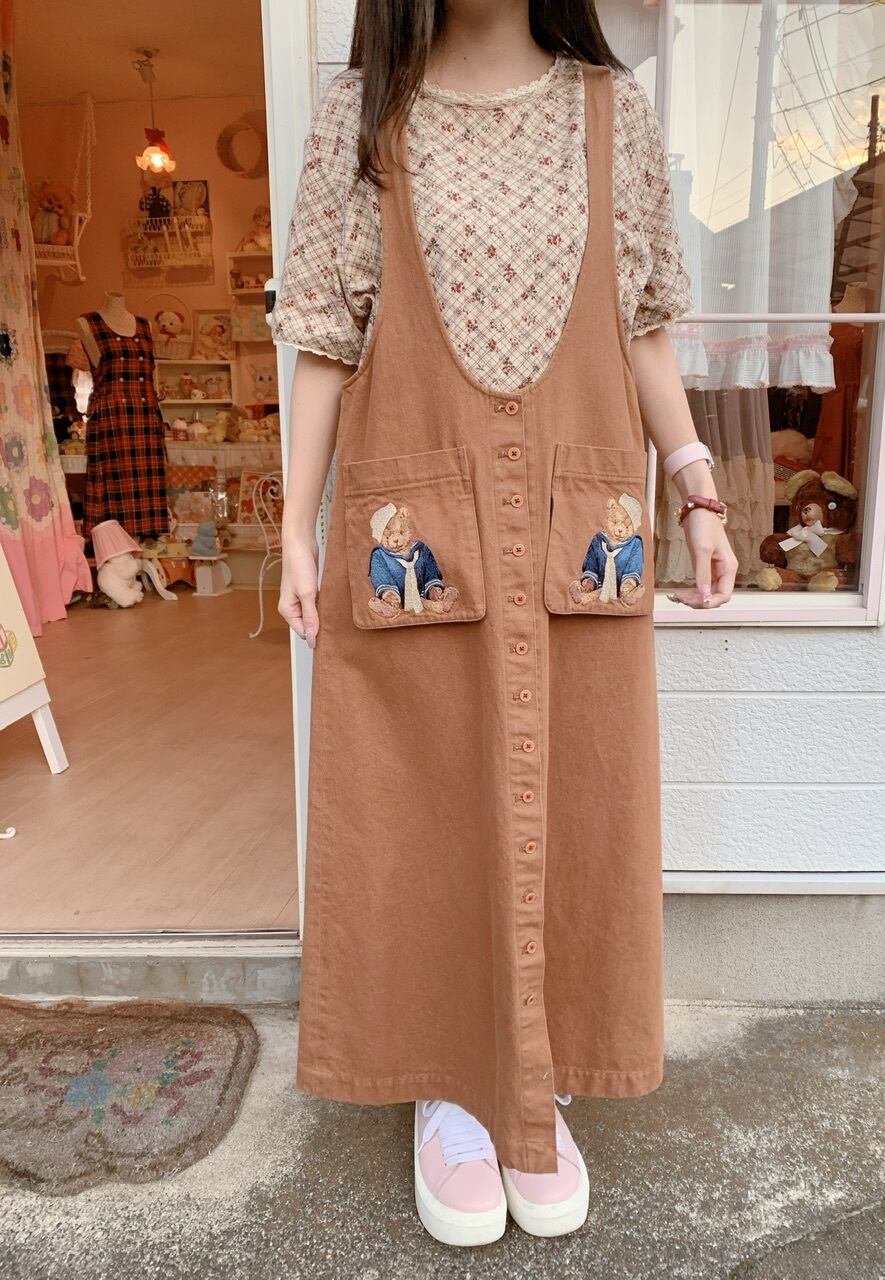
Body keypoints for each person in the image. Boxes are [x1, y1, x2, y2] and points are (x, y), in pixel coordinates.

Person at [273, 0, 737, 1248]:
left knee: (581, 795)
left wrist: (697, 485)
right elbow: (325, 342)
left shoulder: (612, 113)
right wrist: (296, 524)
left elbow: (643, 329)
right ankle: (453, 1083)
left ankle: (539, 1082)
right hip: (415, 525)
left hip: (581, 524)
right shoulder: (363, 116)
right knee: (418, 804)